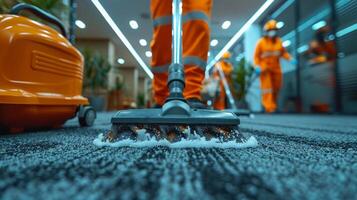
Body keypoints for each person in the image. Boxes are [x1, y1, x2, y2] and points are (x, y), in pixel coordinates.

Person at [150, 0, 212, 108]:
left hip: (193, 91)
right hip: (162, 96)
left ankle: (191, 91)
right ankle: (162, 96)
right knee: (163, 25)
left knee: (198, 18)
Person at [254, 19, 292, 113]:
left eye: (274, 29)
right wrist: (257, 66)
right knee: (267, 89)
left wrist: (290, 59)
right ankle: (269, 107)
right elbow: (256, 56)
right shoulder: (261, 42)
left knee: (276, 87)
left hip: (276, 68)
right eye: (270, 30)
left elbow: (283, 53)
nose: (272, 32)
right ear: (266, 31)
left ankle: (273, 105)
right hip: (265, 68)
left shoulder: (279, 41)